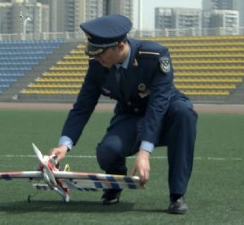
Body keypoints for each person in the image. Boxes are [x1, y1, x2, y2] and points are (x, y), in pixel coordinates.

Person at [49, 14, 197, 214]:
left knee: (184, 114)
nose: (96, 57)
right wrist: (64, 145)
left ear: (119, 46)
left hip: (166, 113)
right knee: (107, 150)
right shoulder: (97, 66)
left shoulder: (154, 56)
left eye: (100, 53)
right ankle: (115, 183)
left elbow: (158, 105)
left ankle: (177, 195)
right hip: (131, 116)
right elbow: (82, 107)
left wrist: (144, 153)